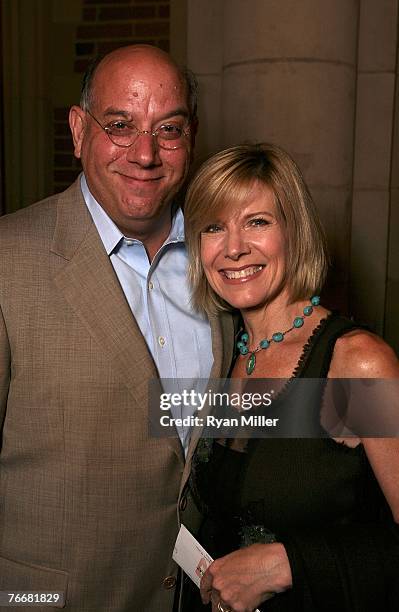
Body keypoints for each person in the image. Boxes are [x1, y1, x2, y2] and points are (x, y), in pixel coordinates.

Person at [0, 45, 234, 611]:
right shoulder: (9, 261)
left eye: (168, 129)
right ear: (79, 131)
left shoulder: (230, 261)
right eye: (121, 126)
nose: (146, 154)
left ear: (192, 136)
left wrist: (369, 395)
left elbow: (255, 410)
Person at [182, 142, 399, 612]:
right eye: (213, 227)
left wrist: (288, 564)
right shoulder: (225, 353)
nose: (234, 247)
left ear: (294, 232)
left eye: (257, 221)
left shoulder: (355, 364)